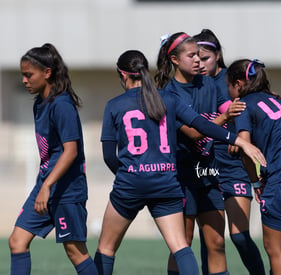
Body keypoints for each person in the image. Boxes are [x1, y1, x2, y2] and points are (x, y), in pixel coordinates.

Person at [94, 50, 266, 275]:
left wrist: (130, 174)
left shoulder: (115, 105)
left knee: (106, 248)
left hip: (131, 183)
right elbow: (202, 126)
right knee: (181, 247)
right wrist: (238, 141)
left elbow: (109, 155)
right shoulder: (167, 98)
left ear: (123, 75)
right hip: (166, 182)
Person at [155, 32, 246, 275]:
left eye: (199, 54)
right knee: (182, 244)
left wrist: (246, 108)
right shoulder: (168, 93)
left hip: (209, 174)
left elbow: (228, 106)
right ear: (174, 59)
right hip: (181, 177)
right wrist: (226, 117)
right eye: (191, 55)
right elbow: (194, 133)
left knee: (216, 242)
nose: (198, 60)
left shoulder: (209, 84)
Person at [8, 43, 98, 275]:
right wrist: (44, 185)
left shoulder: (62, 105)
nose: (25, 80)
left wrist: (47, 186)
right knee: (17, 241)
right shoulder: (40, 103)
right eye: (23, 75)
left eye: (29, 75)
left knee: (75, 251)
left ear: (47, 73)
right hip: (46, 186)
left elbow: (71, 151)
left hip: (67, 190)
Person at [227, 58, 281, 275]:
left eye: (228, 86)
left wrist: (255, 181)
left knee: (274, 247)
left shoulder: (243, 104)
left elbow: (245, 148)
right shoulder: (279, 100)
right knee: (278, 244)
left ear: (238, 84)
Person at [194, 29, 265, 275]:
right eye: (196, 58)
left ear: (217, 55)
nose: (200, 64)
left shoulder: (230, 79)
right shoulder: (193, 84)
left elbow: (247, 108)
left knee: (239, 235)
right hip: (206, 168)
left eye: (205, 58)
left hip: (234, 167)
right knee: (210, 239)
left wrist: (241, 136)